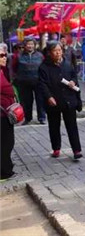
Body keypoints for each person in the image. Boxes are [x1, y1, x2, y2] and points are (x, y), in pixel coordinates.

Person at [38, 42, 83, 160]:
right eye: (55, 50)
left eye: (59, 50)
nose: (58, 52)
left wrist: (73, 82)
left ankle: (76, 150)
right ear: (49, 52)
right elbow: (42, 84)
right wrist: (48, 97)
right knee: (54, 125)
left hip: (68, 99)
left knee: (72, 125)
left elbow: (74, 76)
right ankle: (56, 148)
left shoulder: (67, 64)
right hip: (53, 100)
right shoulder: (44, 67)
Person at [14, 37, 46, 124]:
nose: (30, 46)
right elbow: (14, 68)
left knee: (40, 100)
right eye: (28, 44)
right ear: (24, 45)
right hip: (24, 82)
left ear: (35, 45)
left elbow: (44, 68)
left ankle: (42, 118)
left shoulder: (40, 56)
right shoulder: (19, 56)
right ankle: (27, 118)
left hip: (38, 81)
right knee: (26, 101)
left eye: (32, 44)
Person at [1, 43, 16, 179]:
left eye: (5, 55)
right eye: (1, 55)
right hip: (1, 115)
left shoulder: (2, 71)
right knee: (6, 142)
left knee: (7, 142)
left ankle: (6, 167)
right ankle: (4, 171)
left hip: (5, 114)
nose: (4, 58)